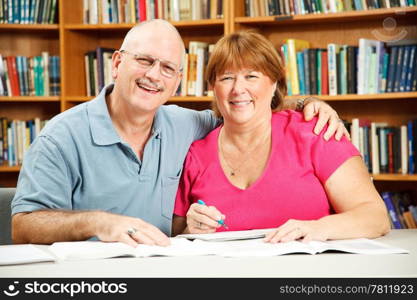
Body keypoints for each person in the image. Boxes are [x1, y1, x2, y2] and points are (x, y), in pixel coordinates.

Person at [12, 20, 348, 247]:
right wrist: (98, 223)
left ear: (177, 81)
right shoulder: (60, 136)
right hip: (93, 279)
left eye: (168, 68)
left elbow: (241, 105)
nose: (154, 76)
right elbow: (23, 226)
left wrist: (304, 102)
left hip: (168, 271)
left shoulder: (187, 125)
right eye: (144, 60)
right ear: (116, 63)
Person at [172, 31, 390, 242]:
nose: (238, 88)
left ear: (274, 83)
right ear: (213, 87)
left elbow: (375, 217)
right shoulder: (195, 155)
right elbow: (177, 232)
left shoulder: (314, 131)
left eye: (251, 76)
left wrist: (316, 227)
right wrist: (191, 229)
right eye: (227, 78)